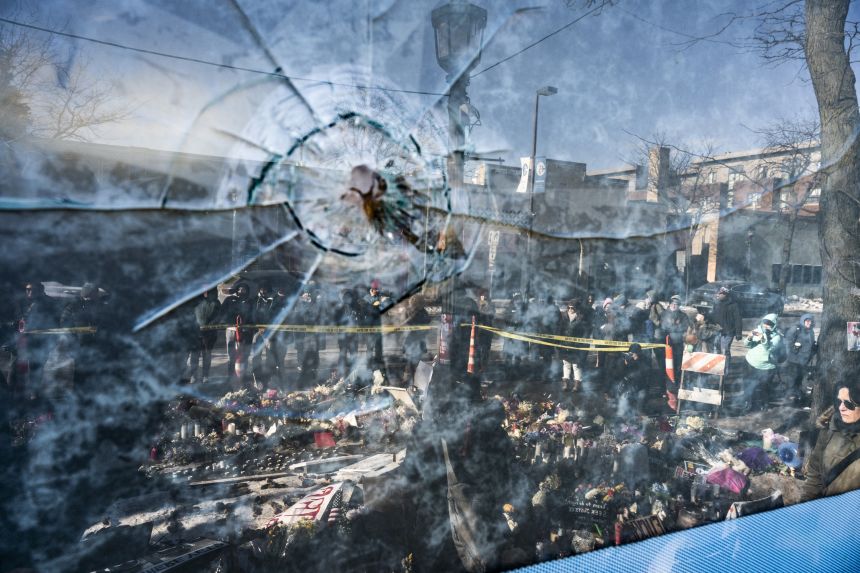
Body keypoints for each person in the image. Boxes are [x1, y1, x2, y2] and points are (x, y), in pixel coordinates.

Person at [801, 381, 860, 501]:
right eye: (838, 402)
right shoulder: (828, 431)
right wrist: (806, 504)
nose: (841, 408)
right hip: (827, 510)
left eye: (849, 404)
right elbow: (815, 475)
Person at [743, 313, 785, 410]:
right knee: (748, 385)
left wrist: (763, 338)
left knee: (765, 387)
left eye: (769, 324)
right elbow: (747, 345)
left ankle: (764, 404)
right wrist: (749, 337)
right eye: (765, 323)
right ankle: (748, 403)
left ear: (774, 325)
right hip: (751, 362)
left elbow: (769, 349)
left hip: (767, 366)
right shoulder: (757, 330)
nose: (766, 325)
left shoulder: (777, 337)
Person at [221, 281, 254, 384]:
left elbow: (254, 316)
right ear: (236, 290)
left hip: (246, 332)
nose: (241, 291)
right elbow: (222, 313)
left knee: (245, 355)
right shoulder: (229, 300)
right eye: (239, 289)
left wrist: (250, 326)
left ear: (247, 291)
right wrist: (227, 322)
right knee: (231, 356)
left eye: (244, 289)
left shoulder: (250, 302)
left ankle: (243, 377)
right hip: (231, 331)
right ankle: (230, 377)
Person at [783, 313, 817, 405]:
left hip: (804, 361)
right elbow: (788, 342)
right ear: (803, 321)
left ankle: (797, 399)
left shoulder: (811, 331)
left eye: (811, 321)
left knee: (800, 380)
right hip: (794, 361)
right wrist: (794, 349)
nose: (809, 323)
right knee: (792, 381)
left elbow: (811, 344)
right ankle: (790, 401)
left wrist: (814, 349)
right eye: (807, 321)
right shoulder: (796, 329)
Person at [188, 287, 220, 384]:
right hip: (196, 332)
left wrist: (210, 326)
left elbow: (219, 316)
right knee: (194, 355)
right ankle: (193, 376)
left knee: (207, 354)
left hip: (210, 333)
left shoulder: (216, 303)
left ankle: (205, 376)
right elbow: (190, 315)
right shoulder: (196, 301)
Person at [709, 286, 742, 374]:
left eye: (720, 294)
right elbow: (712, 316)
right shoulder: (716, 303)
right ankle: (716, 368)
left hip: (728, 332)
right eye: (718, 293)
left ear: (726, 295)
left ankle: (725, 369)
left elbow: (738, 319)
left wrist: (738, 333)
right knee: (716, 349)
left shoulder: (733, 305)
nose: (718, 295)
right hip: (717, 331)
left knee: (725, 350)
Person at [659, 294, 691, 385]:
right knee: (666, 363)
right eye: (672, 303)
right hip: (666, 343)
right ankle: (665, 382)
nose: (673, 305)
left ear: (679, 305)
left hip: (678, 342)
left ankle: (677, 381)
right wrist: (675, 327)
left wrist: (673, 328)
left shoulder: (683, 315)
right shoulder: (664, 314)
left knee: (677, 362)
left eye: (676, 304)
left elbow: (685, 327)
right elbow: (662, 326)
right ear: (669, 304)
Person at [558, 299, 588, 393]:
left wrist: (582, 343)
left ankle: (577, 385)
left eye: (573, 307)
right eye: (569, 307)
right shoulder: (563, 316)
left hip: (576, 346)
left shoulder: (581, 318)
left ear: (577, 308)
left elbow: (585, 332)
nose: (571, 309)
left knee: (576, 365)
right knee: (566, 364)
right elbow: (559, 330)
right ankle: (565, 383)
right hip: (565, 345)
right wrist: (558, 342)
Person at [474, 288, 496, 372]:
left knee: (486, 349)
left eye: (486, 295)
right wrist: (480, 307)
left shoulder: (491, 304)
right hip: (479, 331)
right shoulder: (477, 304)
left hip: (487, 330)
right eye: (482, 295)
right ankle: (479, 365)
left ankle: (484, 366)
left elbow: (492, 315)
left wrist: (486, 307)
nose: (484, 296)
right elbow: (475, 315)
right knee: (478, 349)